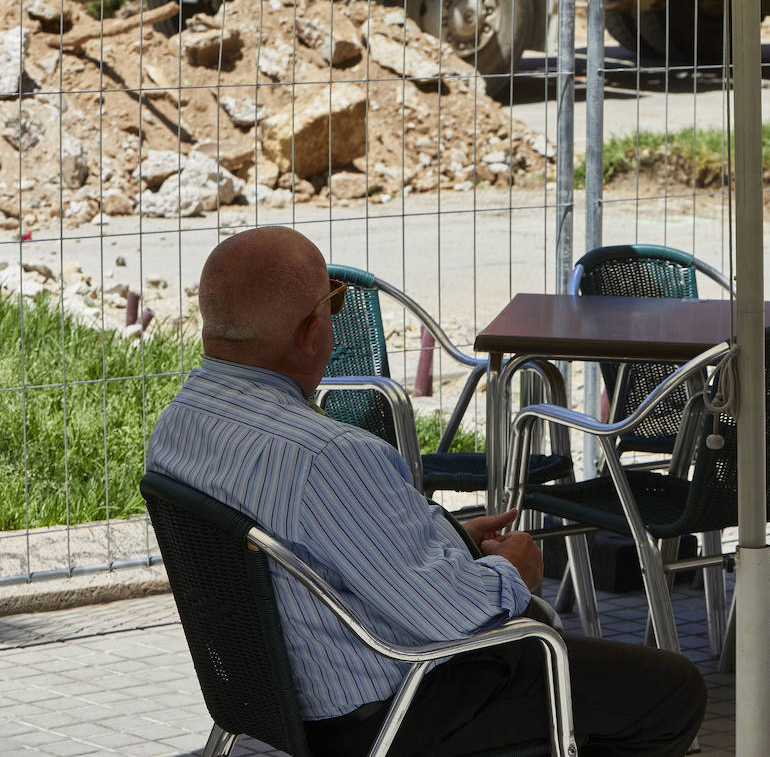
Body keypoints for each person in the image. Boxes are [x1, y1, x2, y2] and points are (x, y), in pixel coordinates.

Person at [147, 226, 706, 757]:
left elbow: (317, 554)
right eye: (333, 303)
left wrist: (453, 538)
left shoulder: (176, 426)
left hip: (267, 701)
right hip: (392, 709)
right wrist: (514, 572)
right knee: (671, 691)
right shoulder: (330, 454)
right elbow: (458, 620)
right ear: (310, 333)